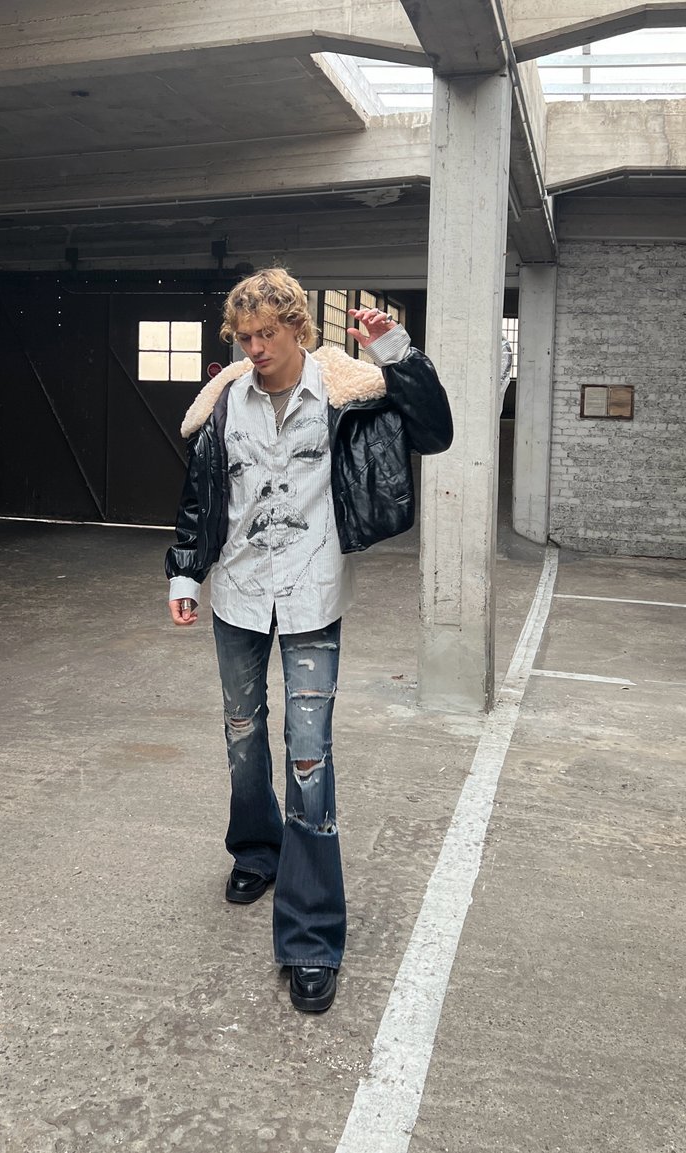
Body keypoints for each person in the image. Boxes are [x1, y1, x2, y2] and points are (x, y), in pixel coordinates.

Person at [165, 268, 453, 1013]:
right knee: (240, 731)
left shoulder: (347, 395)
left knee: (309, 757)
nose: (255, 348)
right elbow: (203, 494)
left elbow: (436, 432)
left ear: (299, 330)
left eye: (267, 334)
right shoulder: (227, 401)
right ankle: (256, 851)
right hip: (236, 593)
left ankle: (311, 939)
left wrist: (397, 351)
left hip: (311, 595)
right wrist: (185, 573)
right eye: (245, 336)